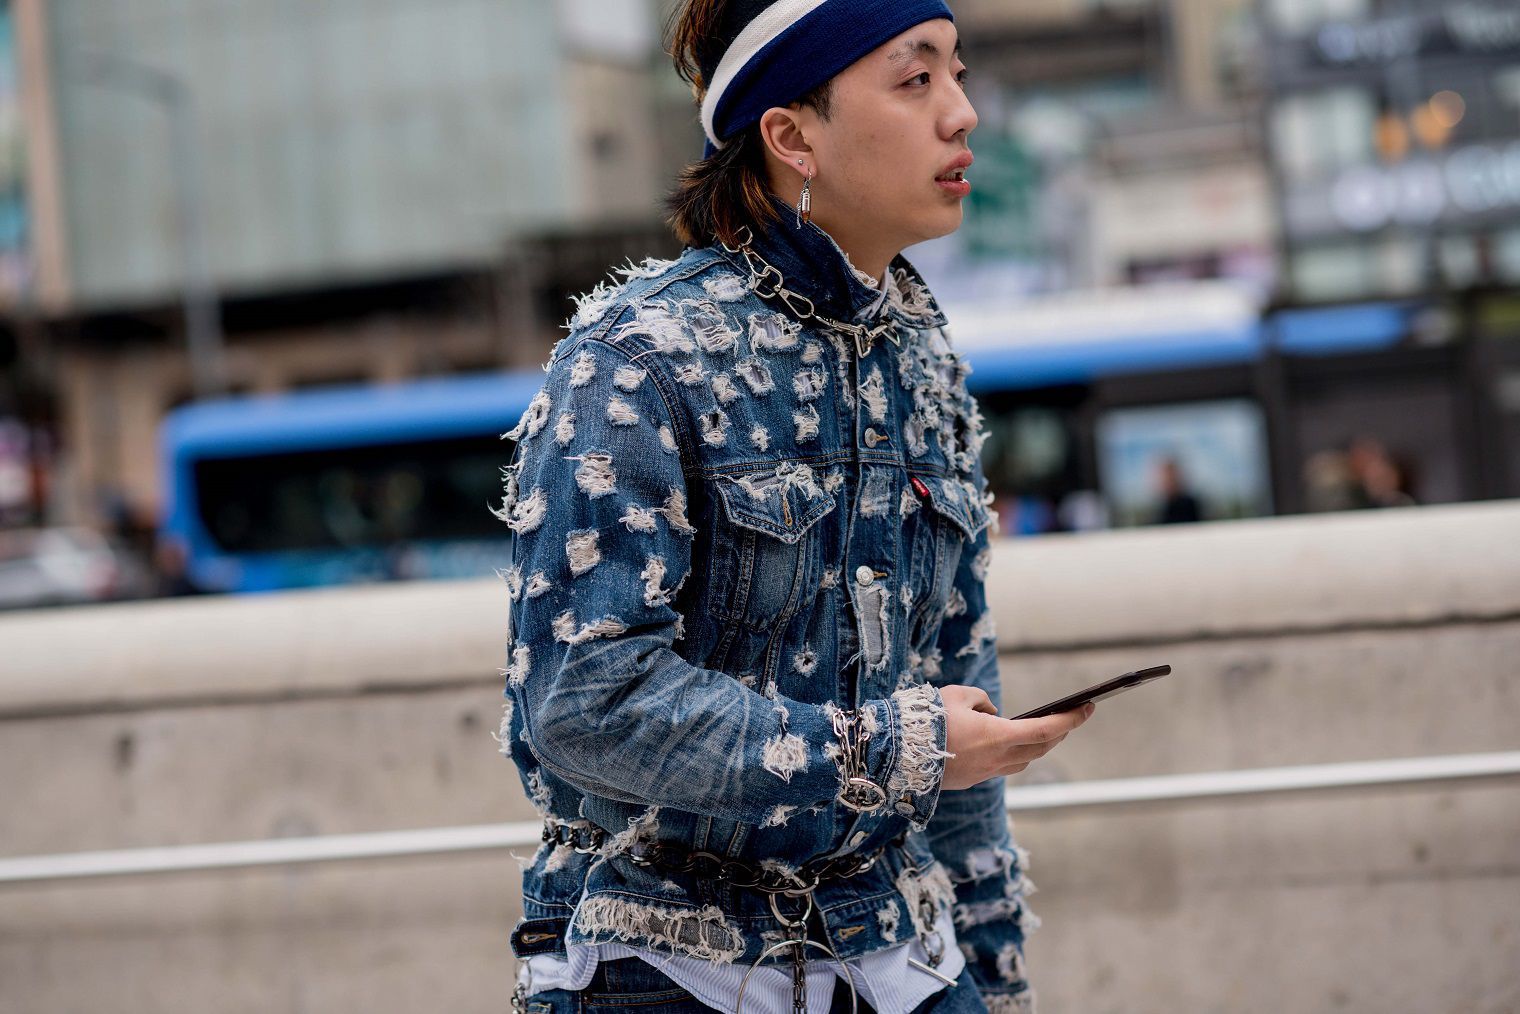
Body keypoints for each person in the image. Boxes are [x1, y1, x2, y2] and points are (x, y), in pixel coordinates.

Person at [495, 2, 1096, 1010]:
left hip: (906, 956)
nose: (961, 113)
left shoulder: (923, 358)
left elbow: (960, 700)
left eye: (955, 72)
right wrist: (888, 750)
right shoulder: (636, 361)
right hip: (666, 966)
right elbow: (585, 704)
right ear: (790, 136)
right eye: (915, 79)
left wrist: (997, 980)